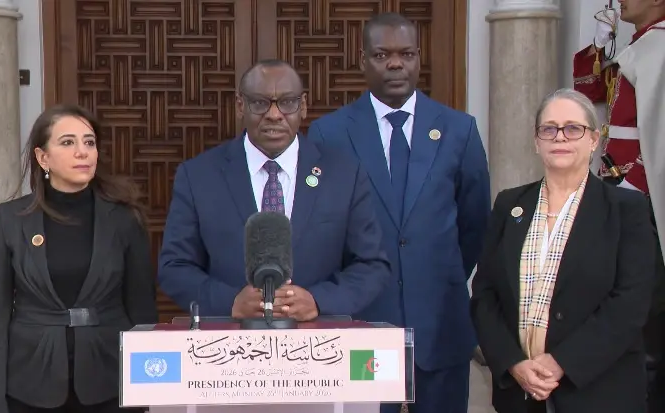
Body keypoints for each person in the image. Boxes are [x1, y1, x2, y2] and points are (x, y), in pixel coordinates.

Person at [307, 12, 490, 413]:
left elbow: (475, 224)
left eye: (406, 54)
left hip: (440, 321)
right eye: (382, 55)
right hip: (361, 324)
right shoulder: (329, 134)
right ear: (363, 60)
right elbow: (321, 230)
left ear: (419, 58)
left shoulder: (459, 130)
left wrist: (437, 272)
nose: (395, 64)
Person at [158, 59, 390, 321]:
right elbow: (174, 268)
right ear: (240, 106)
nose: (274, 114)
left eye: (287, 102)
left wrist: (319, 301)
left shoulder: (344, 175)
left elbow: (371, 266)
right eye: (260, 103)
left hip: (319, 339)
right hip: (230, 339)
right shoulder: (198, 177)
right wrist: (230, 302)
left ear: (303, 106)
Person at [471, 88, 655, 413]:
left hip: (599, 394)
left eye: (573, 128)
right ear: (537, 141)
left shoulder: (626, 208)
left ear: (594, 140)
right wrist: (513, 362)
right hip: (520, 394)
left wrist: (561, 362)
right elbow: (485, 293)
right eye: (549, 129)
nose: (560, 137)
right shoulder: (510, 204)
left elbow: (631, 302)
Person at [0, 105, 159, 413]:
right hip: (29, 385)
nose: (82, 152)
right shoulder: (9, 220)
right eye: (67, 142)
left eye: (89, 142)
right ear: (43, 158)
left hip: (109, 382)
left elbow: (142, 312)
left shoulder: (124, 219)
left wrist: (145, 392)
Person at [573, 2, 665, 409]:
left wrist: (632, 185)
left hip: (641, 200)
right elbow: (589, 92)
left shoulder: (659, 48)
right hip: (620, 192)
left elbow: (658, 136)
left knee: (646, 312)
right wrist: (600, 44)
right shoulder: (640, 45)